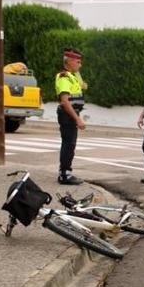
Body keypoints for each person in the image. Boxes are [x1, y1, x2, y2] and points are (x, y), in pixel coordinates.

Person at [55, 48, 87, 185]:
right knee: (68, 145)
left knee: (70, 144)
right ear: (69, 62)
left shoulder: (72, 77)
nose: (80, 65)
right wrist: (77, 119)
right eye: (78, 62)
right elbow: (65, 101)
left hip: (70, 115)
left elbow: (84, 86)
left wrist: (76, 70)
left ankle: (66, 172)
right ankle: (64, 174)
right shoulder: (64, 77)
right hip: (67, 115)